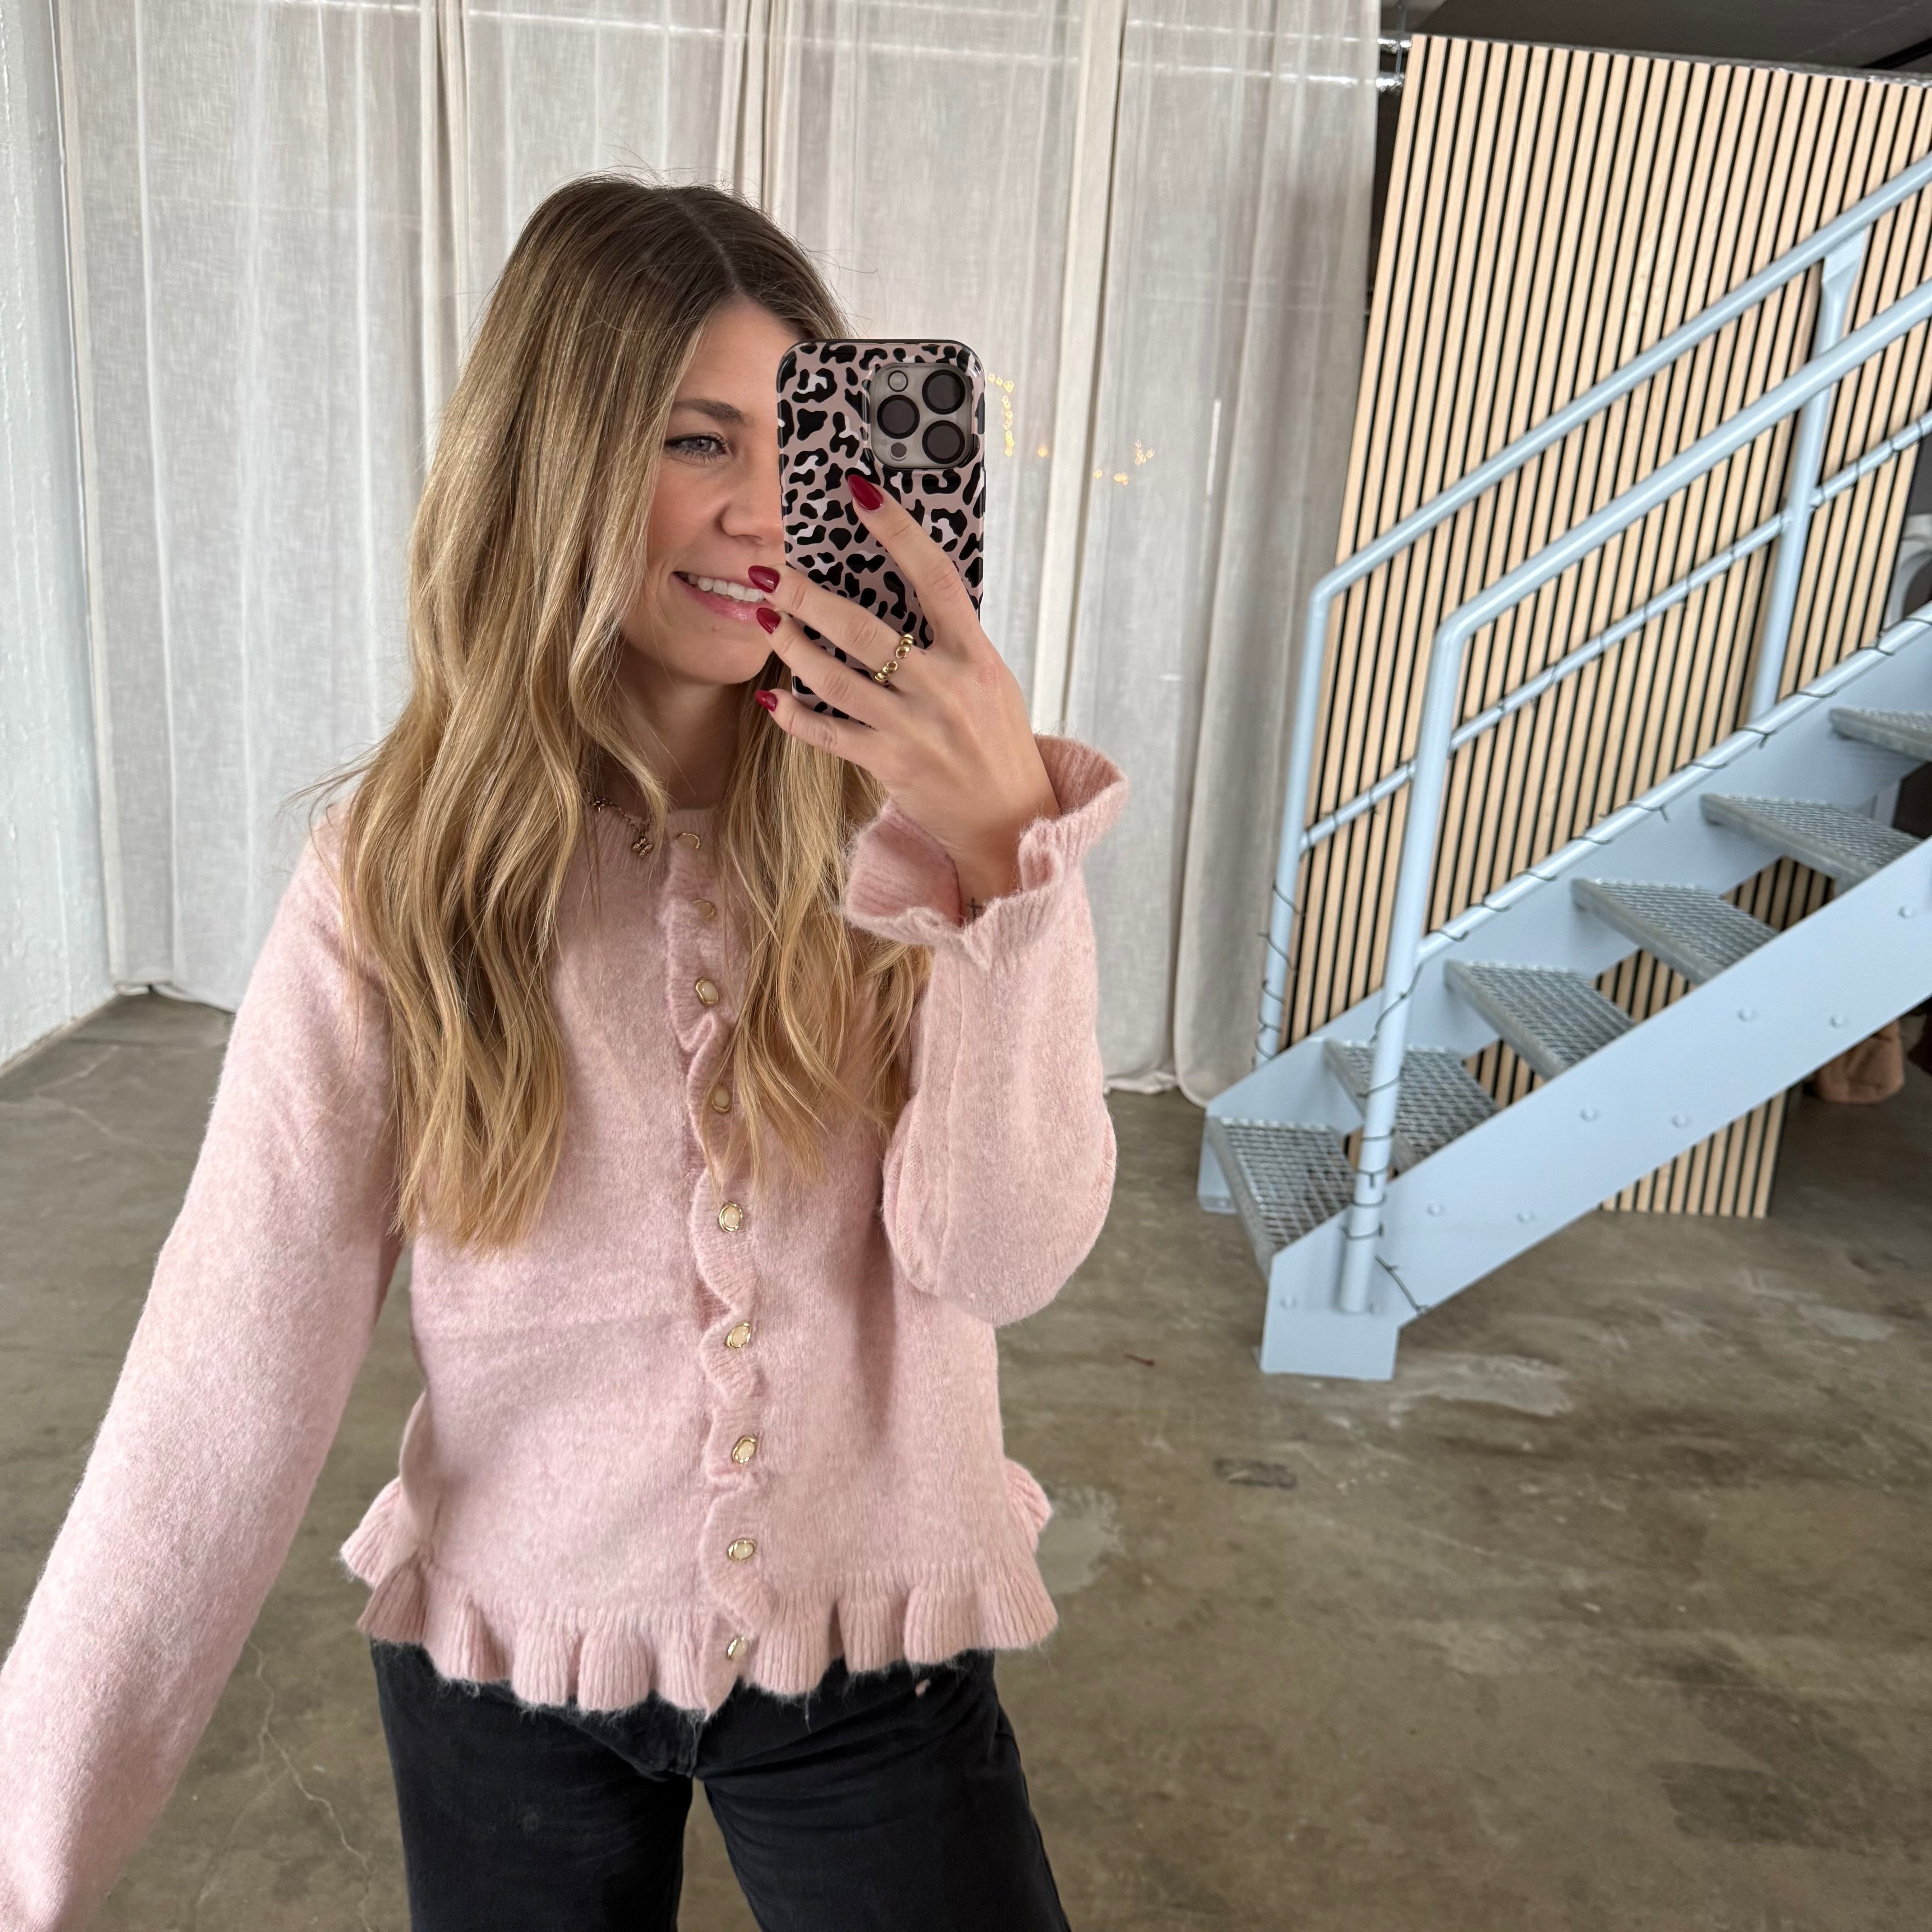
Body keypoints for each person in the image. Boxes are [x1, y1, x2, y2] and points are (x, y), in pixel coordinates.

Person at [0, 176, 1127, 1931]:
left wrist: (1000, 872)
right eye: (696, 440)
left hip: (871, 1648)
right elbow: (223, 1374)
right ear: (557, 456)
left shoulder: (916, 837)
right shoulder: (401, 876)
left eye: (800, 443)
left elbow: (1001, 1255)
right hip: (505, 1661)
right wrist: (28, 1846)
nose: (763, 507)